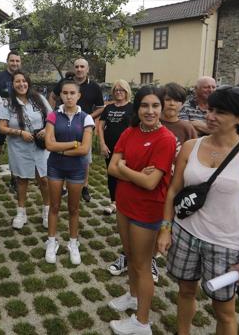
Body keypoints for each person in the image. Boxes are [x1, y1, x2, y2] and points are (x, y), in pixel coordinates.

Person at [157, 85, 239, 335]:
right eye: (210, 109)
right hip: (185, 234)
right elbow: (174, 192)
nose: (210, 116)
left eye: (220, 112)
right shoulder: (191, 147)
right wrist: (166, 228)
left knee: (224, 310)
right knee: (185, 291)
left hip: (224, 243)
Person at [106, 86, 176, 335]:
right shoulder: (130, 131)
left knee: (142, 264)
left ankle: (142, 323)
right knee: (130, 256)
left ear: (162, 108)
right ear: (137, 108)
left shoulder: (166, 139)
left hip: (147, 210)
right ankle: (133, 296)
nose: (150, 111)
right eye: (145, 105)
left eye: (155, 105)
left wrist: (125, 170)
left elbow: (150, 182)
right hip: (124, 204)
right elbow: (110, 168)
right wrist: (133, 173)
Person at [44, 79, 94, 265]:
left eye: (72, 93)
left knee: (74, 208)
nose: (69, 96)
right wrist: (73, 144)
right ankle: (51, 242)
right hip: (55, 167)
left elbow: (85, 149)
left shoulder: (86, 118)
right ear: (61, 95)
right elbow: (49, 144)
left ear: (79, 95)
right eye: (65, 93)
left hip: (76, 169)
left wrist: (61, 149)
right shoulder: (53, 115)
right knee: (54, 206)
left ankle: (73, 243)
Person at [0, 70, 51, 230]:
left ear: (28, 82)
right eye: (17, 82)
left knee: (44, 179)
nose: (21, 84)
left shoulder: (39, 99)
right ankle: (21, 212)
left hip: (39, 147)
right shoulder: (7, 104)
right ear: (12, 85)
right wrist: (19, 132)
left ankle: (47, 210)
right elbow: (1, 127)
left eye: (24, 81)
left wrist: (46, 129)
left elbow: (52, 117)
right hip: (19, 147)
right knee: (21, 180)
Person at [51, 59, 104, 202]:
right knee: (59, 152)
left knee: (84, 158)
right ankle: (62, 185)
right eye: (77, 67)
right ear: (74, 69)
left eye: (82, 67)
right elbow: (52, 95)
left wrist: (86, 118)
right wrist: (52, 113)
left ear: (88, 69)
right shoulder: (65, 83)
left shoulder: (94, 87)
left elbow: (100, 108)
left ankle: (84, 186)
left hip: (84, 126)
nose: (79, 69)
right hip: (63, 123)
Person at [98, 80, 134, 216]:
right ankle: (114, 202)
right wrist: (102, 144)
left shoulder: (133, 108)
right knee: (111, 174)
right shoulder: (108, 108)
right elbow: (100, 127)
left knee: (125, 174)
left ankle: (126, 202)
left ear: (127, 92)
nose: (119, 92)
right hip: (109, 147)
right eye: (116, 89)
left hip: (126, 148)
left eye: (122, 89)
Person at [0, 51, 22, 192]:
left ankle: (15, 181)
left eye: (17, 61)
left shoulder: (22, 77)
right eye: (12, 60)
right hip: (0, 117)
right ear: (7, 61)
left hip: (18, 118)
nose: (15, 63)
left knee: (16, 152)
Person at [161, 82, 199, 154]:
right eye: (167, 99)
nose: (172, 103)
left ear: (182, 104)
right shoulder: (152, 124)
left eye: (176, 100)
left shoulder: (188, 129)